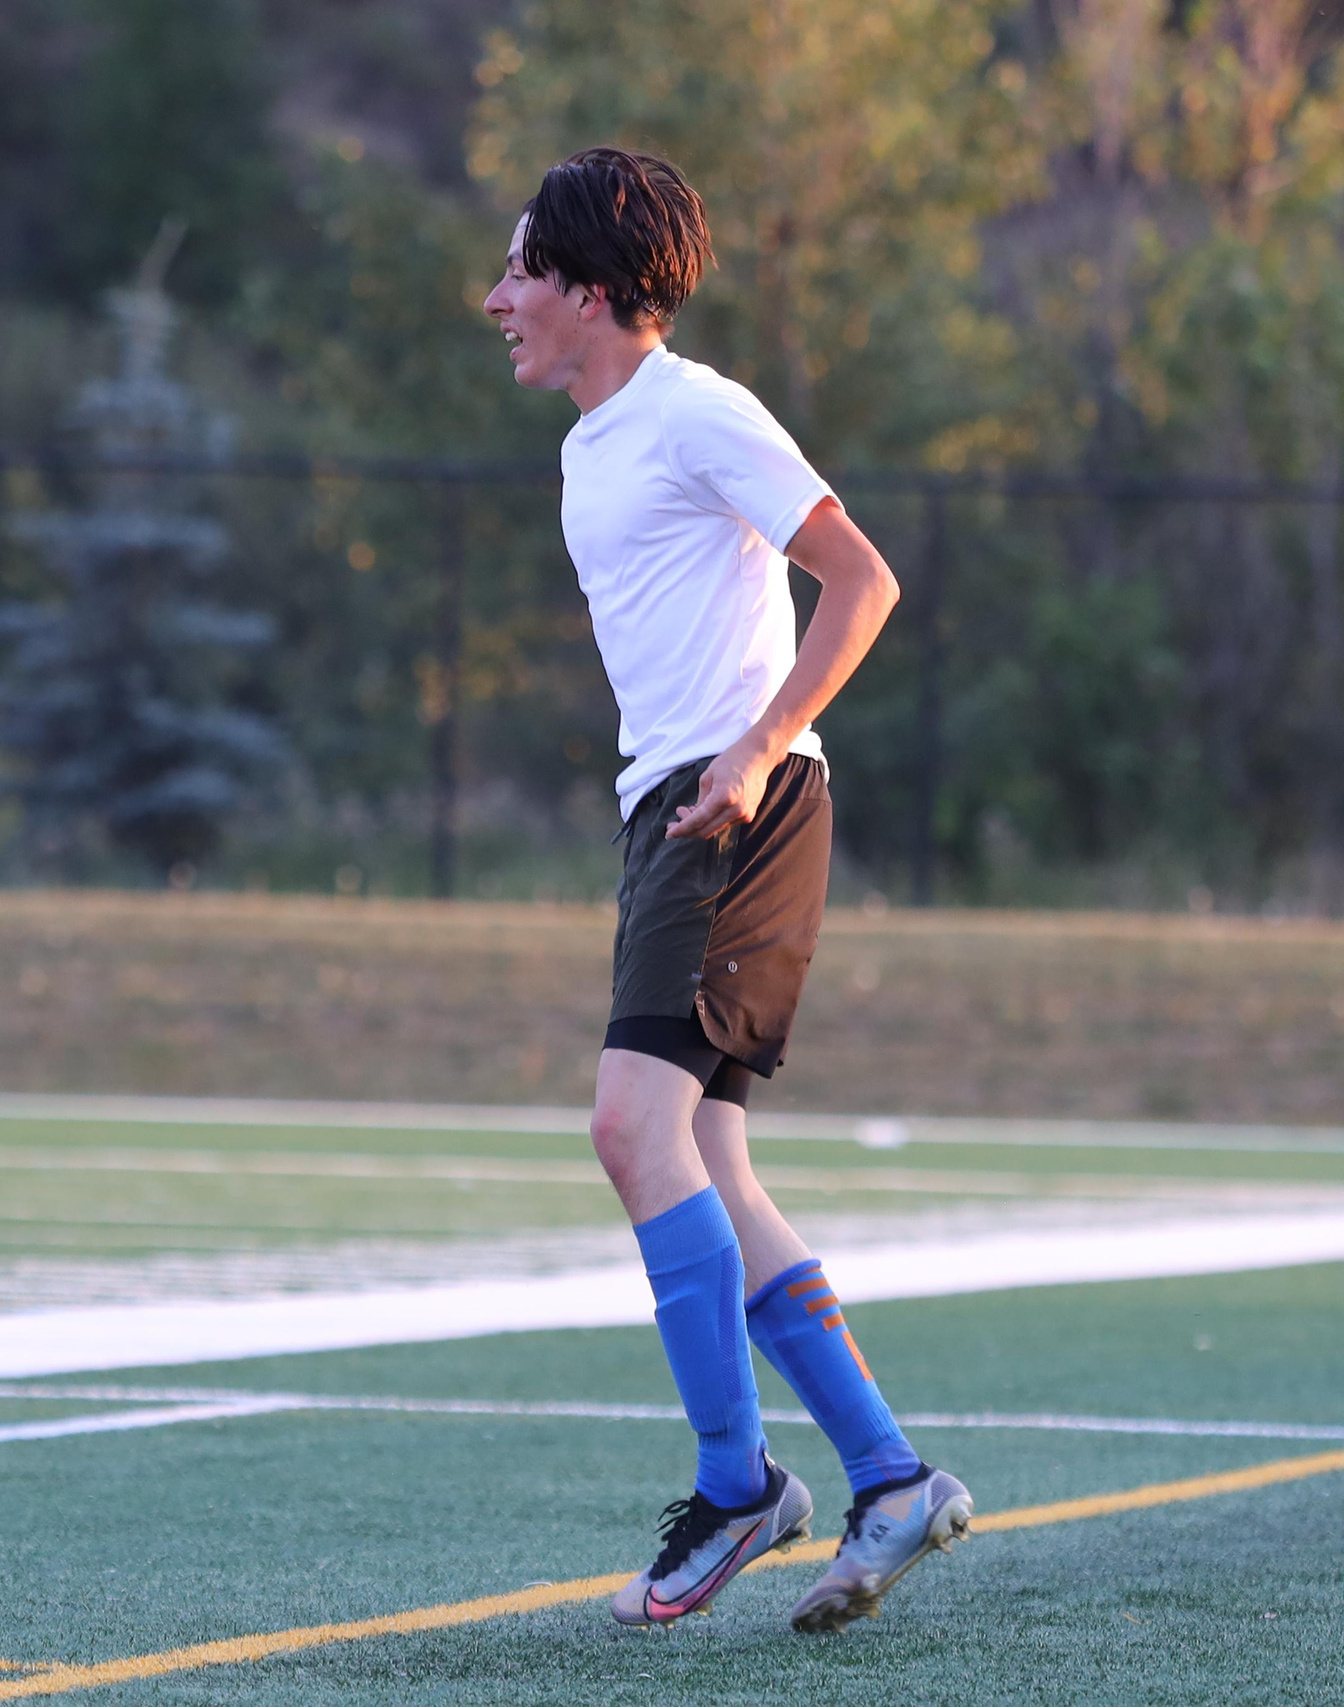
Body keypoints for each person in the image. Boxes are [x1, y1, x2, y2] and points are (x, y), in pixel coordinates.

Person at [482, 150, 969, 1633]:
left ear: (596, 292)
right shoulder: (591, 445)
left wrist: (754, 751)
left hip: (738, 801)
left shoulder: (701, 410)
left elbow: (863, 579)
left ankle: (738, 1477)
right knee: (709, 1158)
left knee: (632, 1129)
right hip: (673, 806)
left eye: (520, 272)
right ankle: (889, 1473)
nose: (496, 298)